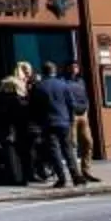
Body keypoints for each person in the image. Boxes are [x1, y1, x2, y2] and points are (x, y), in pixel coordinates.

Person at [29, 59, 78, 187]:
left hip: (48, 123)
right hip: (64, 121)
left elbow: (33, 106)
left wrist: (38, 122)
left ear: (43, 72)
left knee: (54, 151)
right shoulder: (63, 85)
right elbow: (71, 104)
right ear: (54, 71)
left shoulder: (39, 86)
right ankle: (76, 176)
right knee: (68, 150)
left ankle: (61, 178)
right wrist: (71, 119)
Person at [46, 60, 94, 187]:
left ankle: (86, 171)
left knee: (88, 142)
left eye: (76, 67)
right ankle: (75, 173)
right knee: (72, 145)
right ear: (67, 68)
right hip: (70, 116)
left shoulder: (81, 81)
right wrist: (70, 114)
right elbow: (67, 100)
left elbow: (85, 96)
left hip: (83, 114)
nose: (75, 69)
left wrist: (86, 108)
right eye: (72, 67)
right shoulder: (63, 82)